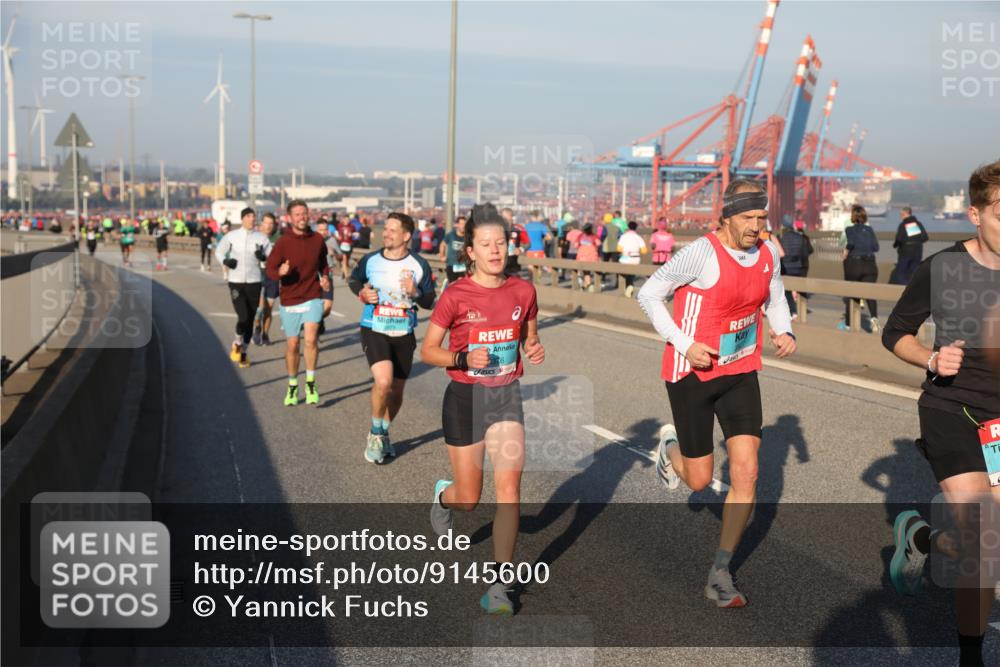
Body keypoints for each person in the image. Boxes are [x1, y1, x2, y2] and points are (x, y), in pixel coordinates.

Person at [637, 179, 796, 609]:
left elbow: (775, 294)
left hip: (741, 370)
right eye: (747, 218)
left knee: (747, 473)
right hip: (692, 372)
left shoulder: (767, 252)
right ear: (726, 217)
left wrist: (783, 328)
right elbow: (648, 293)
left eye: (762, 217)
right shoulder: (701, 253)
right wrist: (684, 343)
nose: (756, 226)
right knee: (701, 479)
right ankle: (670, 449)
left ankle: (720, 571)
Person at [883, 159, 1000, 667]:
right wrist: (931, 358)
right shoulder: (943, 268)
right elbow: (895, 334)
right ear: (974, 215)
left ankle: (924, 537)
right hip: (952, 408)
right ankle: (971, 658)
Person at [420, 202, 545, 615]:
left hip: (505, 395)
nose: (495, 250)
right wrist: (460, 359)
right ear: (469, 251)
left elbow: (529, 331)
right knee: (470, 498)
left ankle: (500, 583)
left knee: (509, 490)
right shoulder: (455, 295)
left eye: (501, 243)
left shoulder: (523, 291)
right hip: (465, 399)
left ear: (510, 248)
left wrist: (533, 346)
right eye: (485, 244)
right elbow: (428, 350)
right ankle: (444, 498)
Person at [350, 212, 436, 464]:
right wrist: (363, 293)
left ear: (406, 236)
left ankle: (383, 432)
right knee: (384, 381)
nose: (385, 233)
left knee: (397, 391)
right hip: (374, 326)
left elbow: (430, 301)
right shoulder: (371, 260)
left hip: (404, 332)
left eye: (391, 230)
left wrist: (415, 291)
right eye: (385, 229)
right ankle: (375, 433)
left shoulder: (420, 265)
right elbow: (354, 280)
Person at [265, 200, 331, 405]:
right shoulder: (283, 242)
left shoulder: (318, 239)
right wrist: (280, 272)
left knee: (310, 340)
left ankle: (310, 381)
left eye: (304, 213)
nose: (302, 217)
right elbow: (270, 269)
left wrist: (326, 278)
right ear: (289, 218)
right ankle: (292, 384)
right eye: (297, 214)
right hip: (290, 299)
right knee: (293, 344)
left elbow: (324, 264)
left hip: (312, 296)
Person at [215, 207, 272, 368]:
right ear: (242, 219)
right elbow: (219, 251)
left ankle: (243, 354)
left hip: (255, 281)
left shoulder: (261, 238)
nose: (252, 219)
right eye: (248, 216)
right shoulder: (231, 236)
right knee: (243, 316)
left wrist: (263, 258)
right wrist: (225, 262)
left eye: (254, 216)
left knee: (250, 320)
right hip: (236, 281)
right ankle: (237, 342)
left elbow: (270, 258)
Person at [839, 204, 881, 333]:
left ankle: (847, 324)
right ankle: (874, 320)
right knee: (870, 293)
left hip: (854, 264)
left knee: (851, 293)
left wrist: (846, 251)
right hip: (870, 264)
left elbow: (850, 243)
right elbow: (876, 248)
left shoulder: (849, 229)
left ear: (853, 215)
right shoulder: (869, 230)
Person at [253, 212, 282, 345]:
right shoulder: (255, 237)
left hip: (273, 277)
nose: (269, 226)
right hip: (257, 274)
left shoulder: (279, 238)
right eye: (266, 223)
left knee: (269, 309)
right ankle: (257, 327)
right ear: (261, 224)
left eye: (271, 223)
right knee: (260, 307)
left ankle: (265, 334)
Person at [778, 215, 813, 321]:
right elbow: (804, 254)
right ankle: (801, 312)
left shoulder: (780, 238)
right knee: (800, 289)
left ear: (783, 226)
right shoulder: (800, 238)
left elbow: (778, 255)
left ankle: (792, 312)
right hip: (798, 268)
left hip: (785, 268)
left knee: (786, 291)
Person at [892, 206, 929, 285]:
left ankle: (904, 289)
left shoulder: (903, 224)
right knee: (914, 272)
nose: (900, 216)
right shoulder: (918, 224)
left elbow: (899, 239)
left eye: (901, 214)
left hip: (905, 252)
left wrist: (895, 245)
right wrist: (916, 242)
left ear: (905, 214)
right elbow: (925, 237)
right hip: (917, 252)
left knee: (901, 272)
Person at [617, 221, 648, 298]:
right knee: (631, 275)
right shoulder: (638, 237)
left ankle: (625, 289)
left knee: (623, 275)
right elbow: (644, 251)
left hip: (625, 259)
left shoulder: (623, 236)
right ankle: (630, 286)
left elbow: (619, 249)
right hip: (635, 259)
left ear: (628, 227)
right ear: (636, 228)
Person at [523, 212, 552, 282]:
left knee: (530, 269)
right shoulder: (542, 226)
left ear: (532, 218)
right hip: (539, 249)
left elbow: (523, 238)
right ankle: (537, 283)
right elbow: (549, 237)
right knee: (539, 268)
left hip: (529, 250)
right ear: (537, 217)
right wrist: (542, 238)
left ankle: (531, 283)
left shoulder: (526, 226)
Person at [439, 215, 467, 286]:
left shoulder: (467, 236)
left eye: (464, 224)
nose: (463, 226)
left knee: (462, 285)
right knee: (452, 286)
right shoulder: (451, 235)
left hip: (463, 265)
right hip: (451, 265)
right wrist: (442, 256)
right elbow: (443, 244)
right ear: (457, 225)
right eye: (461, 224)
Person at [575, 222, 601, 291]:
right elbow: (598, 244)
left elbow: (576, 245)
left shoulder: (580, 236)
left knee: (586, 271)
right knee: (590, 271)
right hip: (592, 256)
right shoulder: (594, 236)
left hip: (582, 256)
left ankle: (587, 284)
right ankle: (588, 284)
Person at [600, 213, 621, 288]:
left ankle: (602, 280)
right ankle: (618, 282)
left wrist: (601, 241)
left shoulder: (605, 227)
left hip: (606, 248)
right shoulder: (616, 227)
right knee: (616, 265)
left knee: (605, 265)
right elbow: (620, 236)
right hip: (615, 248)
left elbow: (603, 236)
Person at [335, 214, 356, 280]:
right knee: (344, 260)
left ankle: (343, 273)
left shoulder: (352, 226)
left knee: (346, 261)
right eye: (345, 219)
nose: (347, 221)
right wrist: (337, 236)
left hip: (349, 245)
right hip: (342, 244)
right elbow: (336, 232)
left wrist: (352, 234)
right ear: (343, 220)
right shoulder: (339, 225)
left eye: (348, 220)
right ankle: (347, 276)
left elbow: (356, 234)